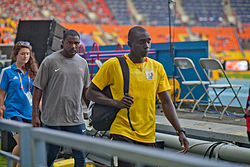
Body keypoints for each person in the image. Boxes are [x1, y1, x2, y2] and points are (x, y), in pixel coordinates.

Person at [86, 26, 189, 166]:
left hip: (148, 134)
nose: (146, 45)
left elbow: (166, 102)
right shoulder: (113, 65)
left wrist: (180, 130)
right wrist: (115, 103)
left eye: (148, 41)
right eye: (141, 42)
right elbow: (90, 92)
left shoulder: (157, 68)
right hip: (122, 131)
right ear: (130, 44)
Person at [32, 29, 90, 167]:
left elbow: (86, 90)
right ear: (62, 42)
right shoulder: (50, 61)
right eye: (70, 43)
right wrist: (35, 114)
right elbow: (38, 88)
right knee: (50, 155)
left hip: (75, 119)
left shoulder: (83, 63)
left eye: (76, 43)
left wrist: (92, 111)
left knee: (80, 156)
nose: (74, 46)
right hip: (53, 119)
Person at [0, 41, 38, 167]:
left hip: (28, 112)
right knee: (23, 144)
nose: (25, 56)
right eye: (22, 54)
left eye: (27, 54)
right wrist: (1, 110)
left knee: (26, 146)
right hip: (13, 112)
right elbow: (1, 94)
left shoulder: (32, 72)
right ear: (16, 55)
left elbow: (35, 94)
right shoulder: (7, 72)